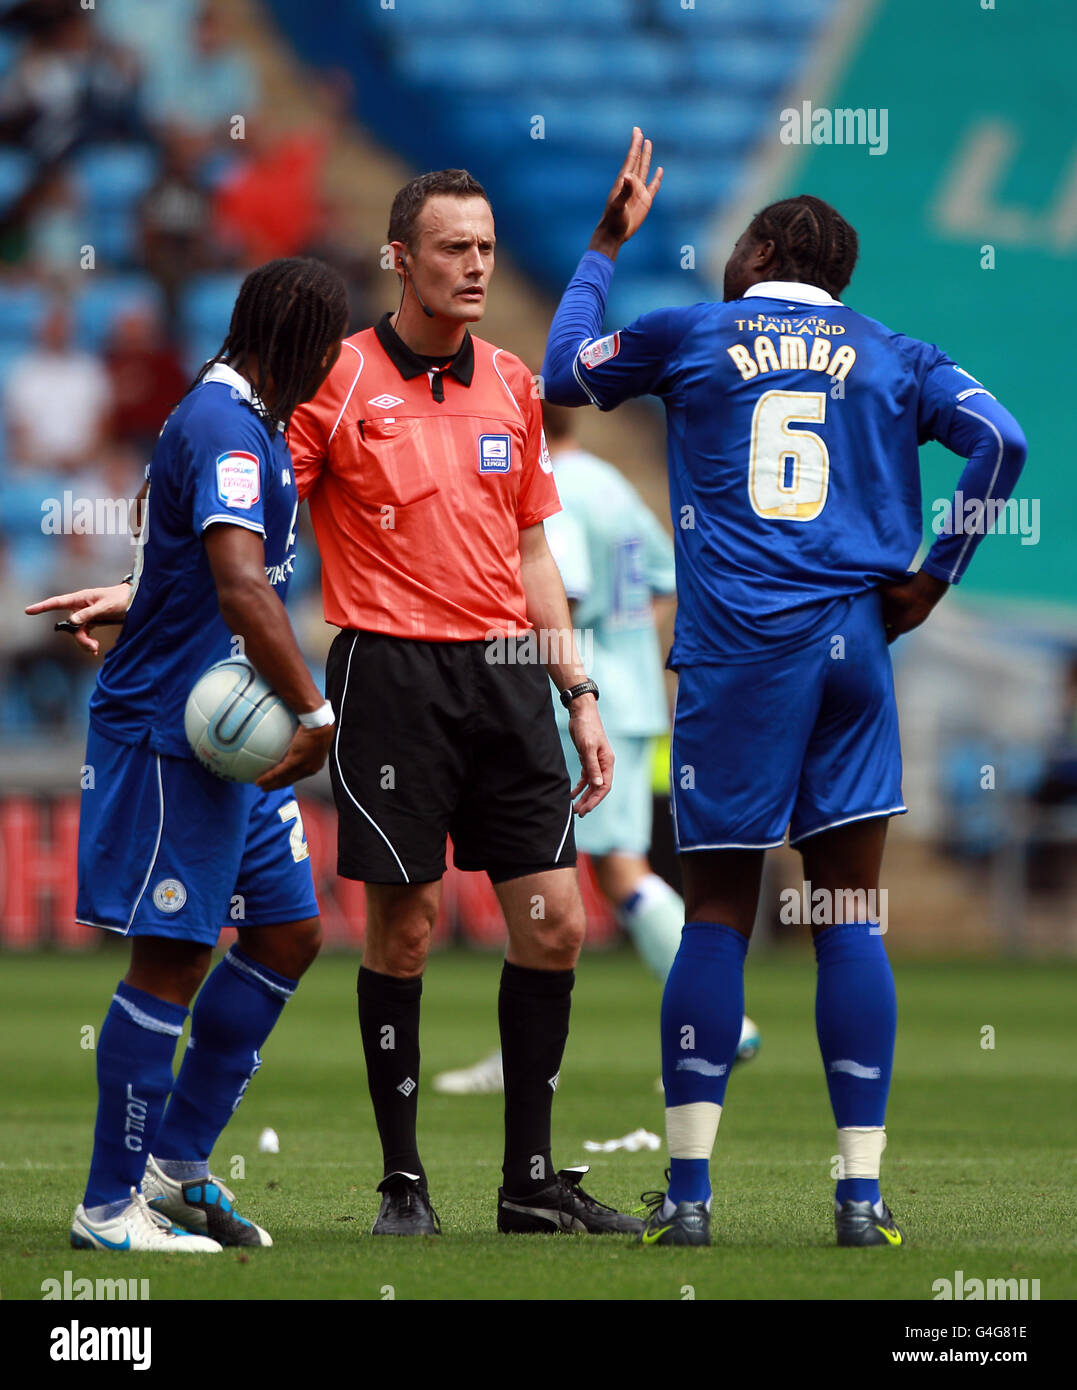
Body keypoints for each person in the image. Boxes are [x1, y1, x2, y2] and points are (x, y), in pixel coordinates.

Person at [542, 130, 1028, 1247]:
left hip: (737, 653)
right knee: (849, 913)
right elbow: (1003, 440)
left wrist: (601, 250)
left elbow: (561, 373)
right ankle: (859, 1199)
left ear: (761, 250)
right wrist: (935, 580)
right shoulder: (897, 353)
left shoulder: (693, 335)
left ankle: (695, 1197)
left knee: (718, 909)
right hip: (857, 645)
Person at [288, 169, 642, 1238]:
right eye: (453, 248)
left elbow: (532, 546)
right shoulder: (338, 378)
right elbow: (256, 523)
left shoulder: (512, 384)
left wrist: (576, 688)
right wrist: (156, 590)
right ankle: (404, 1184)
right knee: (405, 931)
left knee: (557, 922)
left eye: (485, 247)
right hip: (390, 675)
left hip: (508, 673)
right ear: (401, 259)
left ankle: (528, 1182)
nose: (477, 266)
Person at [26, 257, 349, 1252]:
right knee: (170, 958)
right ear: (293, 340)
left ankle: (175, 1171)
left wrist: (139, 594)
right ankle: (107, 1206)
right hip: (180, 733)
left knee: (290, 932)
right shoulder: (222, 425)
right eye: (327, 345)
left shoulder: (247, 425)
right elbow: (245, 588)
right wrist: (318, 714)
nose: (334, 364)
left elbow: (186, 556)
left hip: (226, 729)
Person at [433, 402, 759, 1097]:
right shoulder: (610, 482)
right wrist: (627, 648)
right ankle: (525, 1048)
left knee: (572, 871)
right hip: (628, 699)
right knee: (594, 872)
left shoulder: (560, 489)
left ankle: (721, 1019)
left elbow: (564, 594)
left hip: (571, 707)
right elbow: (669, 584)